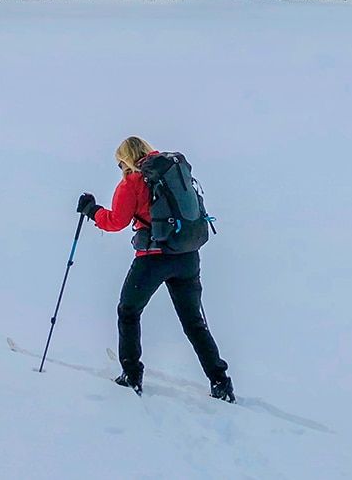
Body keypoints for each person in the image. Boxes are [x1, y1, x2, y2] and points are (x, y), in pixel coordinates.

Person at [77, 136, 234, 402]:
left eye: (120, 163)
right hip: (187, 256)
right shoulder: (172, 172)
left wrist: (92, 210)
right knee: (194, 322)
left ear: (125, 160)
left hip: (153, 259)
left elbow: (116, 222)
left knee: (128, 311)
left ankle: (132, 374)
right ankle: (221, 382)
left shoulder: (132, 183)